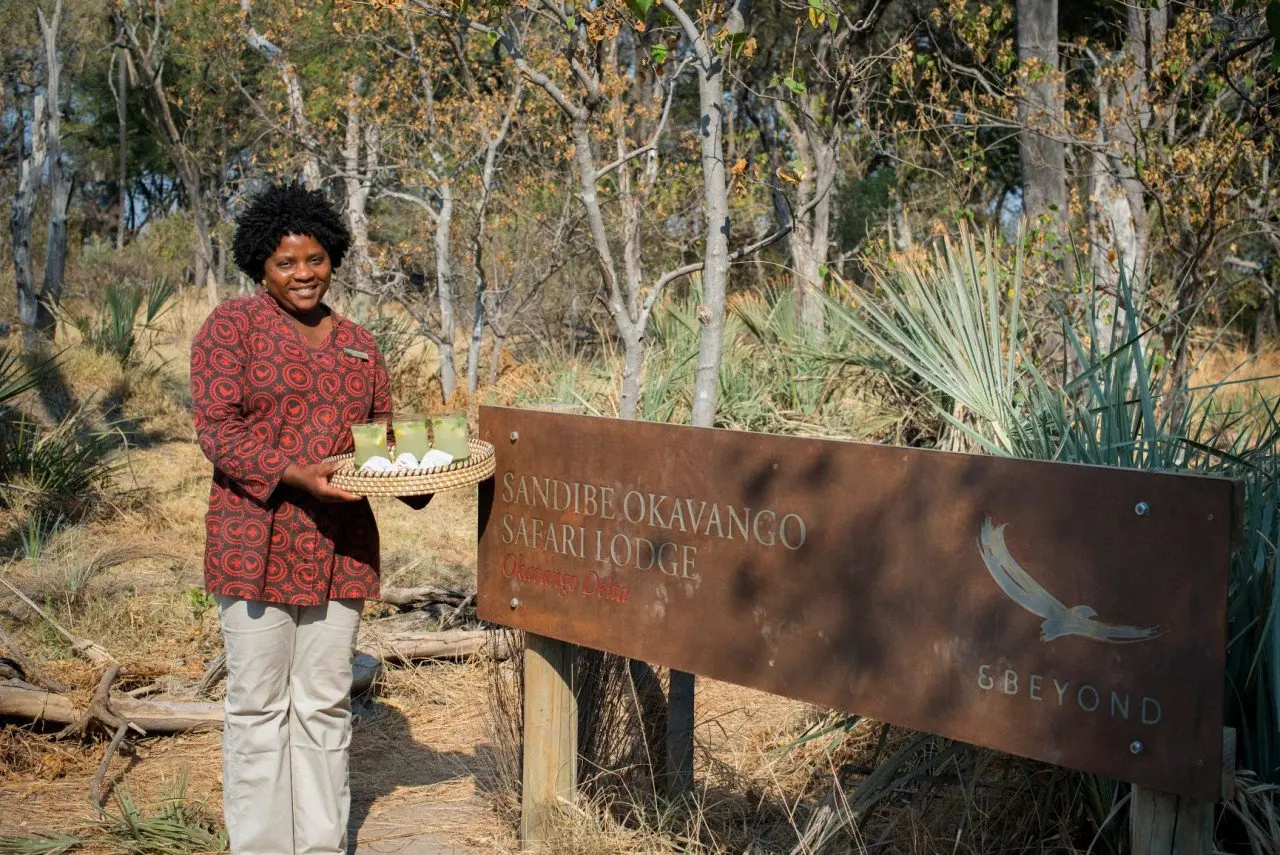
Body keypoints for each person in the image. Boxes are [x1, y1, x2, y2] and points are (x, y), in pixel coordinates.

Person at [190, 182, 429, 855]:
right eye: (286, 262)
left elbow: (379, 435)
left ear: (334, 258)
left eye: (315, 259)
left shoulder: (358, 342)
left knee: (324, 702)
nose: (303, 273)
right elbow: (217, 430)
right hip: (253, 537)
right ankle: (262, 846)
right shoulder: (230, 328)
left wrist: (422, 474)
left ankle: (322, 844)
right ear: (260, 264)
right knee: (258, 704)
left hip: (339, 544)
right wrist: (297, 474)